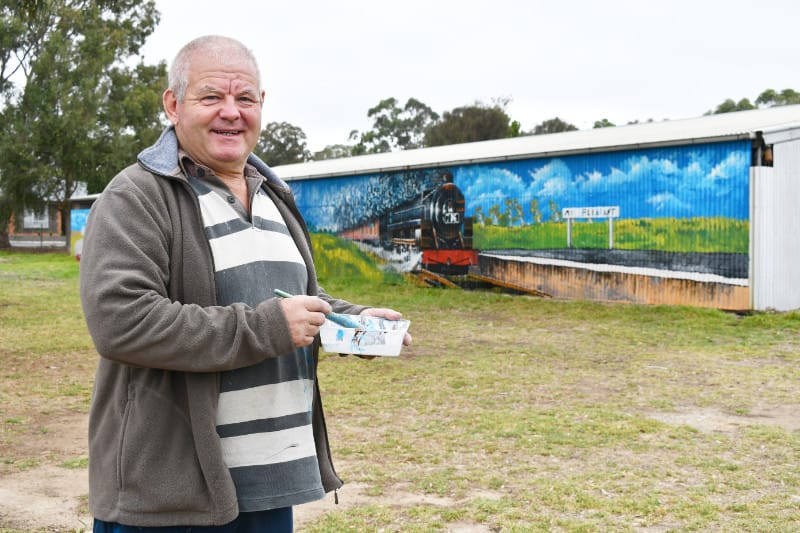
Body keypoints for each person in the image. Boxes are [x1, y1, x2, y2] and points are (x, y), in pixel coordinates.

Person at [79, 35, 411, 532]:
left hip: (272, 484)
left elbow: (283, 298)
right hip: (171, 498)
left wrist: (351, 320)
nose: (231, 112)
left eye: (246, 98)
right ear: (173, 105)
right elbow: (120, 321)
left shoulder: (274, 195)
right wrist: (266, 329)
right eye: (211, 97)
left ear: (262, 107)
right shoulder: (136, 195)